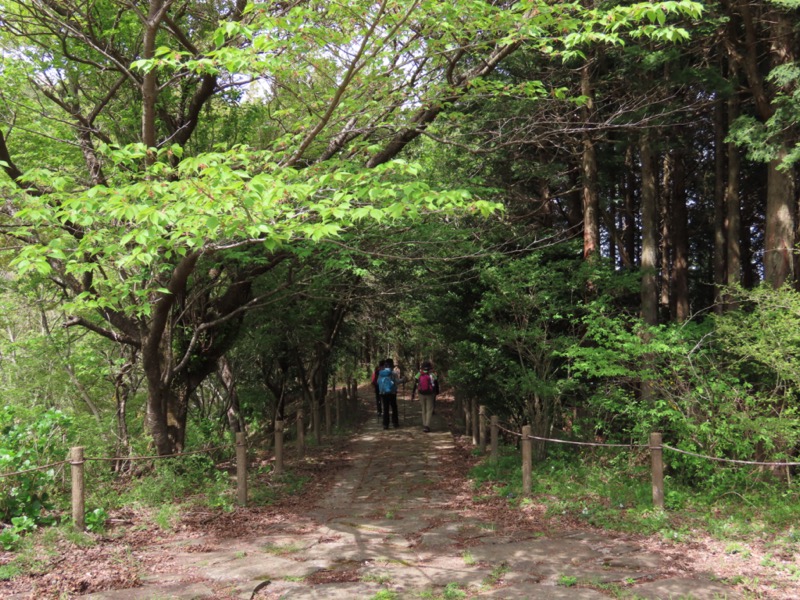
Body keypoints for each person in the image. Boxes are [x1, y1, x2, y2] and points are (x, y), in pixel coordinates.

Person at [412, 360, 438, 433]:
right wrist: (436, 393)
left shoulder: (419, 373)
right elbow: (436, 383)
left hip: (421, 393)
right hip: (430, 394)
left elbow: (415, 382)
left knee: (423, 409)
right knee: (429, 409)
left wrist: (413, 393)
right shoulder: (432, 374)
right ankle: (427, 426)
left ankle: (424, 425)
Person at [377, 358, 402, 430]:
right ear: (392, 365)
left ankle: (385, 424)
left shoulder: (381, 373)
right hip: (392, 392)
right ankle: (395, 423)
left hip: (383, 393)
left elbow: (378, 382)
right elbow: (397, 382)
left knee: (385, 408)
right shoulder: (393, 373)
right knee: (394, 407)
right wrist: (403, 380)